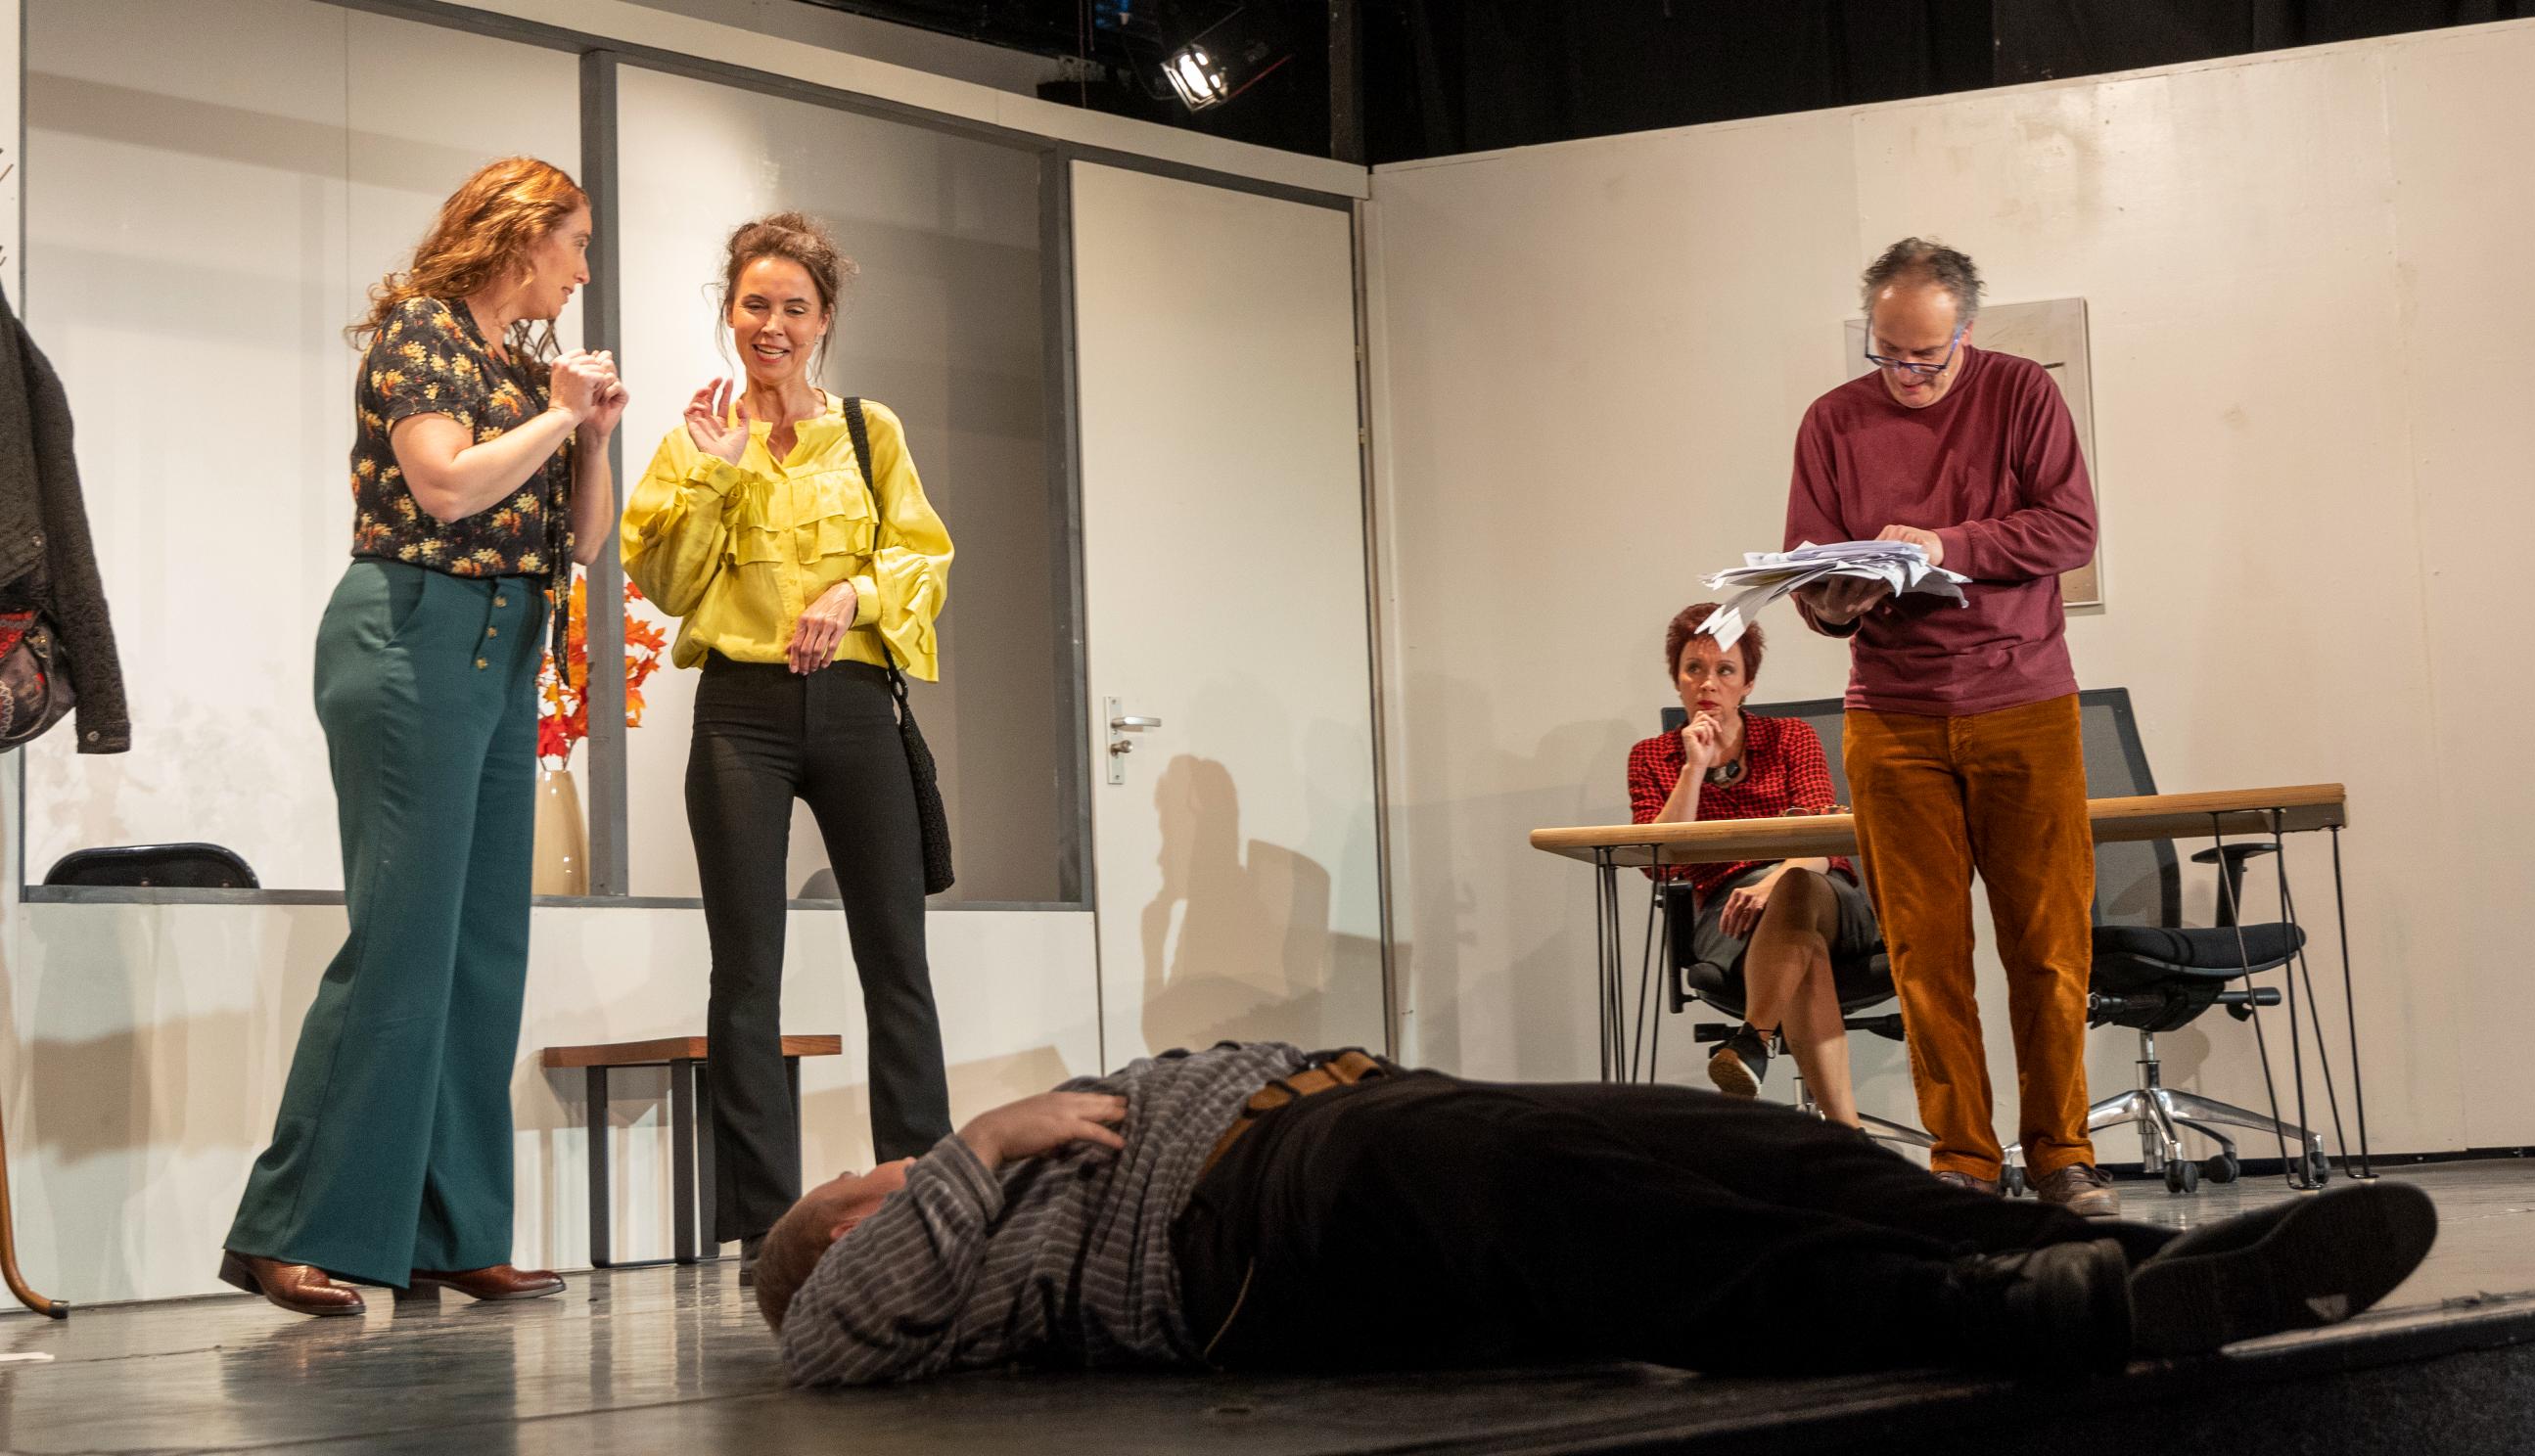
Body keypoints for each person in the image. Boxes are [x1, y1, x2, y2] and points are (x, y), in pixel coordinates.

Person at [756, 1043, 2437, 1387]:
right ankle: (1999, 1313)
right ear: (840, 1228)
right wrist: (982, 1138)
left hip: (1360, 1108)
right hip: (1247, 1217)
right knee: (1562, 1205)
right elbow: (822, 1339)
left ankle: (2143, 1263)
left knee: (1750, 1144)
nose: (885, 1168)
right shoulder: (906, 1262)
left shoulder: (976, 1197)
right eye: (856, 1186)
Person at [222, 158, 626, 1315]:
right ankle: (285, 1228)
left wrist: (591, 435)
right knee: (401, 943)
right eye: (576, 243)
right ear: (521, 235)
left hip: (505, 646)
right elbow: (443, 487)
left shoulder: (521, 369)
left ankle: (453, 1233)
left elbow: (581, 544)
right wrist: (558, 412)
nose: (582, 269)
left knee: (483, 951)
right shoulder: (422, 333)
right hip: (410, 635)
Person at [622, 212, 956, 1273]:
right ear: (729, 313)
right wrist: (717, 472)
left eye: (794, 308)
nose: (772, 325)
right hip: (741, 713)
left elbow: (924, 556)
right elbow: (665, 583)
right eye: (754, 305)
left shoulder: (867, 429)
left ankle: (922, 1187)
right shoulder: (693, 440)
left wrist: (854, 594)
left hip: (854, 706)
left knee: (895, 957)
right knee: (745, 970)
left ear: (824, 320)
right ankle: (765, 1222)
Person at [1785, 238, 2112, 1213]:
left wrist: (1944, 544)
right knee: (1924, 956)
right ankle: (1961, 1166)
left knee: (2047, 947)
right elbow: (1807, 569)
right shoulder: (1831, 422)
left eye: (1924, 357)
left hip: (2024, 702)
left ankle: (2061, 1156)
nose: (1905, 374)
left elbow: (2071, 527)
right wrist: (1828, 601)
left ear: (1964, 332)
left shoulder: (2020, 393)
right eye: (1885, 353)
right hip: (1891, 716)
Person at [1627, 607, 1878, 1118]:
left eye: (1725, 670)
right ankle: (1845, 1136)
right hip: (1730, 918)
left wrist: (1774, 884)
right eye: (1694, 668)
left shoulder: (1791, 738)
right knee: (1804, 950)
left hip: (1824, 893)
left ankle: (1753, 1039)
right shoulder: (1652, 756)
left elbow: (1823, 841)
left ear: (1748, 684)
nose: (1708, 683)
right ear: (1677, 680)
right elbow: (1662, 865)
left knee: (1796, 890)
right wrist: (1693, 769)